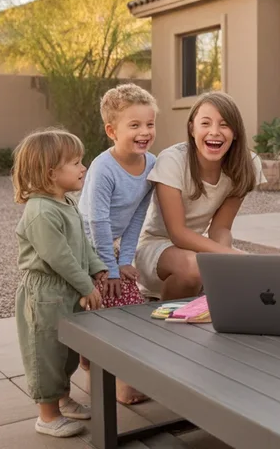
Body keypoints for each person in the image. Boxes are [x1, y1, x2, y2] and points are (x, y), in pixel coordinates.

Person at [12, 128, 107, 438]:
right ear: (51, 172)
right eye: (76, 163)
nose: (84, 168)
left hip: (68, 287)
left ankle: (63, 399)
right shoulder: (40, 212)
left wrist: (97, 268)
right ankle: (47, 415)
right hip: (46, 293)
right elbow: (60, 258)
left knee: (67, 350)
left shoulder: (66, 202)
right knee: (47, 352)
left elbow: (82, 245)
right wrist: (87, 287)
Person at [134, 91, 266, 300]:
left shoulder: (246, 165)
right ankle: (163, 315)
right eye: (205, 123)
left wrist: (224, 263)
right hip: (156, 246)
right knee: (195, 267)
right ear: (192, 129)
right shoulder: (172, 161)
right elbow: (177, 233)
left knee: (234, 271)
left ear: (236, 132)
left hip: (197, 249)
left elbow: (220, 228)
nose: (215, 132)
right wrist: (229, 256)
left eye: (224, 125)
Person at [77, 83, 158, 405]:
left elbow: (138, 216)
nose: (144, 132)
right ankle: (119, 381)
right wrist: (107, 269)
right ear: (112, 130)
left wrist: (125, 261)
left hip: (109, 245)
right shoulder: (103, 167)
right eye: (134, 125)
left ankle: (95, 361)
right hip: (83, 244)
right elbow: (96, 221)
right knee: (111, 302)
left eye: (150, 124)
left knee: (126, 303)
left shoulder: (150, 164)